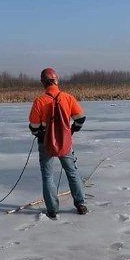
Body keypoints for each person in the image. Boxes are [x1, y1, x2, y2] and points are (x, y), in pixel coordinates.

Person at [28, 67, 88, 219]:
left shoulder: (40, 101)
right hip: (65, 142)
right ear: (56, 80)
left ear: (43, 83)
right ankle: (81, 204)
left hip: (45, 143)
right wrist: (71, 131)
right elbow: (80, 119)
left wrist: (40, 134)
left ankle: (52, 210)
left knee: (48, 176)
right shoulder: (68, 98)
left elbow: (34, 126)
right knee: (72, 172)